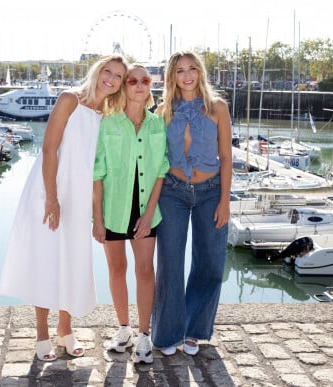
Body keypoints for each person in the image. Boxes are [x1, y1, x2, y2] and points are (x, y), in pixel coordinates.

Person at [0, 55, 128, 362]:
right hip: (49, 190)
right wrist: (52, 198)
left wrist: (98, 215)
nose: (111, 78)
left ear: (121, 84)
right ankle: (42, 332)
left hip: (80, 198)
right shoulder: (70, 99)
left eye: (119, 76)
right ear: (97, 71)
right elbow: (48, 148)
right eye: (107, 71)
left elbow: (99, 170)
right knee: (45, 259)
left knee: (72, 260)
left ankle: (65, 329)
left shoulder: (109, 115)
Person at [151, 51, 232, 356]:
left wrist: (224, 201)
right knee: (170, 263)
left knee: (209, 262)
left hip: (211, 191)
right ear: (171, 76)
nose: (187, 75)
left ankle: (193, 330)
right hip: (172, 191)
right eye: (180, 71)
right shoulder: (162, 111)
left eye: (192, 69)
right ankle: (167, 334)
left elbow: (226, 158)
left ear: (200, 73)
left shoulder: (218, 108)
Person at [92, 64, 169, 364]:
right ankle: (123, 328)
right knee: (116, 269)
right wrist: (97, 219)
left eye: (144, 80)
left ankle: (144, 335)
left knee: (145, 270)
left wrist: (149, 214)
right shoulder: (107, 124)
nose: (138, 84)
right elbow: (97, 173)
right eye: (132, 80)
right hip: (112, 210)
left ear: (151, 85)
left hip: (147, 211)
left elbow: (162, 169)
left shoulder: (158, 124)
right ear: (124, 86)